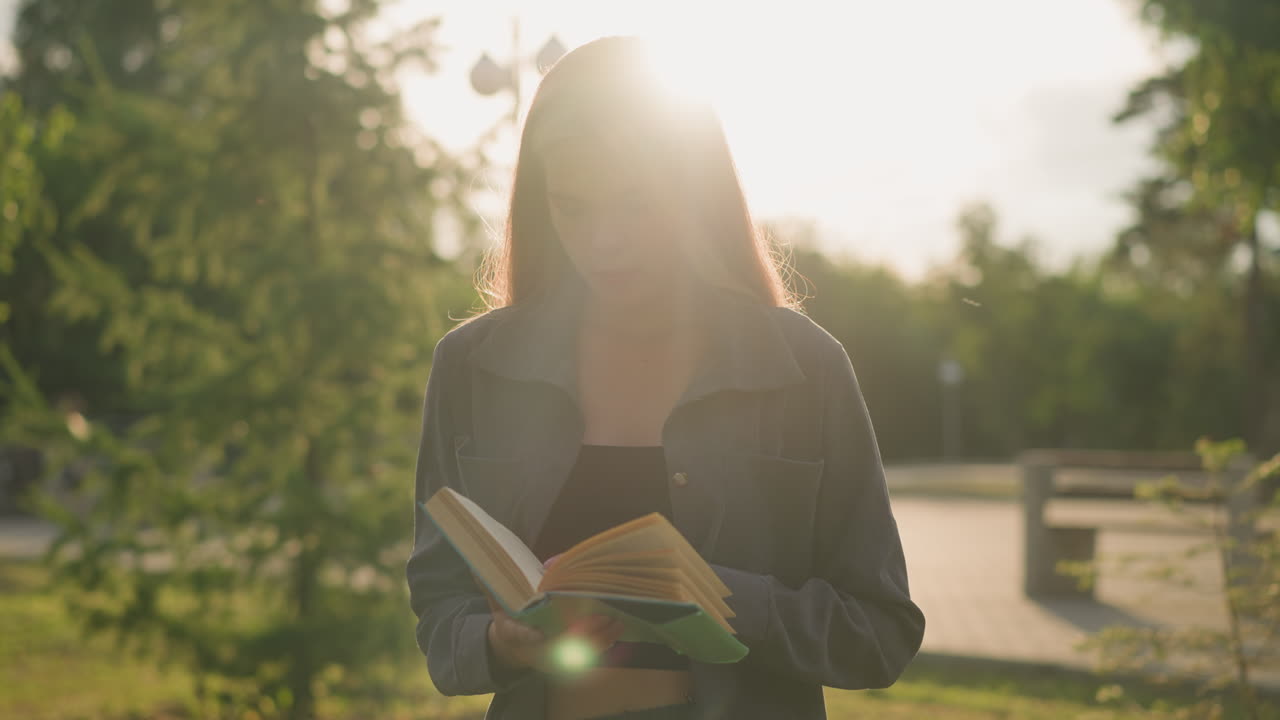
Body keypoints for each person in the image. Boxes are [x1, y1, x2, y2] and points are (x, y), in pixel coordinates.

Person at [406, 35, 925, 720]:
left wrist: (718, 596)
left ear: (695, 192)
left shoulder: (805, 369)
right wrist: (498, 640)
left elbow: (880, 634)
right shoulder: (473, 367)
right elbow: (440, 607)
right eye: (574, 207)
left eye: (636, 203)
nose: (604, 241)